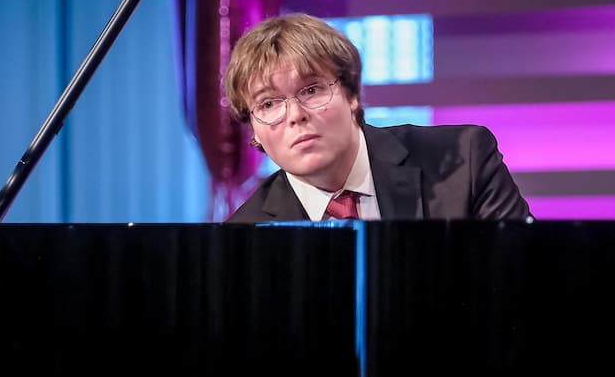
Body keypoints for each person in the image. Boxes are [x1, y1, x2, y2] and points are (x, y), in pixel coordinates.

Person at [223, 13, 531, 222]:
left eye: (312, 90)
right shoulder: (244, 234)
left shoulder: (463, 162)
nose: (295, 116)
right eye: (268, 104)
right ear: (254, 133)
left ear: (352, 94)